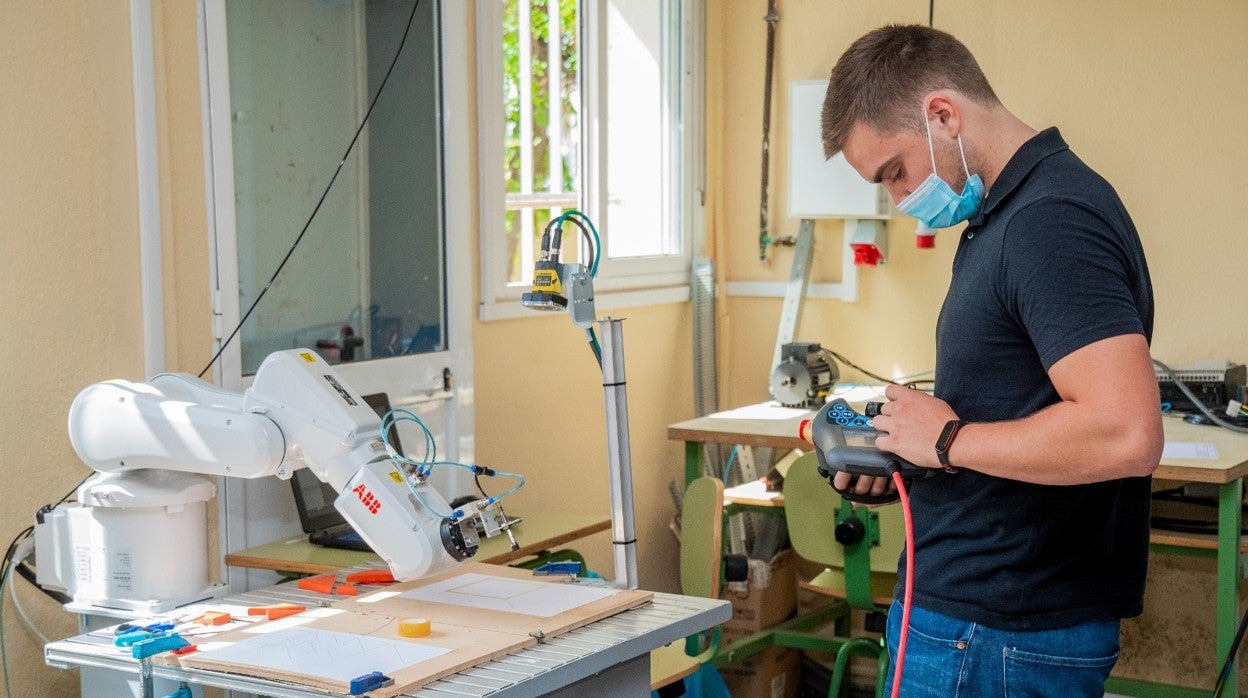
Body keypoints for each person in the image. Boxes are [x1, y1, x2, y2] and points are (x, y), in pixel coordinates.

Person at [819, 24, 1163, 696]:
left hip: (1000, 633)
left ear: (942, 116)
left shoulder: (1049, 220)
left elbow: (1125, 432)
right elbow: (1017, 415)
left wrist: (946, 439)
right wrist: (913, 463)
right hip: (981, 621)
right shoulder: (1004, 217)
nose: (899, 199)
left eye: (895, 172)